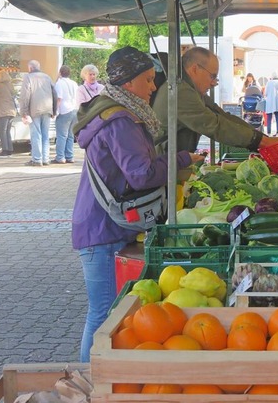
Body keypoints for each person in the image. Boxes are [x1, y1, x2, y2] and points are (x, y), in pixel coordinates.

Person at [71, 46, 204, 362]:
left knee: (107, 309)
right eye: (148, 79)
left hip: (101, 223)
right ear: (128, 83)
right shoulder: (120, 120)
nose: (154, 86)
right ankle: (90, 380)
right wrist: (182, 159)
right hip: (100, 229)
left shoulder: (117, 114)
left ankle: (98, 378)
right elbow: (142, 174)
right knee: (104, 311)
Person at [152, 46, 278, 153]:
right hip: (162, 165)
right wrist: (262, 142)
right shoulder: (180, 91)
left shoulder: (189, 88)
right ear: (195, 69)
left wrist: (262, 138)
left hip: (170, 163)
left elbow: (221, 115)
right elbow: (215, 125)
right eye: (212, 76)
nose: (214, 83)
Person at [19, 60, 54, 166]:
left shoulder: (28, 77)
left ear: (30, 68)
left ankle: (37, 159)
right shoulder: (47, 77)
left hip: (34, 110)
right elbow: (54, 93)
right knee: (45, 135)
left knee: (36, 135)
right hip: (47, 109)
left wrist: (24, 111)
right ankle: (45, 159)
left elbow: (25, 95)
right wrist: (54, 110)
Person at [52, 65, 79, 164]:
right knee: (70, 135)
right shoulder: (74, 83)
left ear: (60, 73)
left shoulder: (59, 83)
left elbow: (59, 99)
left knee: (62, 135)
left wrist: (54, 111)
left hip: (64, 111)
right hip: (75, 110)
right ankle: (70, 156)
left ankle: (60, 157)